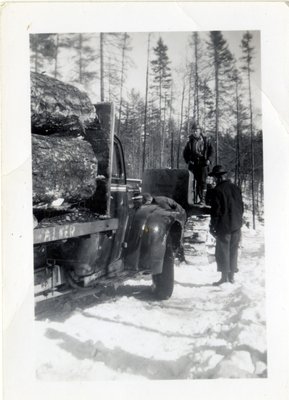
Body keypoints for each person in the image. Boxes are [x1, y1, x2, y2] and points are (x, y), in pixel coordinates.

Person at [208, 165, 244, 285]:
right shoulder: (236, 188)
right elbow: (241, 207)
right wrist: (238, 220)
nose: (214, 180)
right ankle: (231, 277)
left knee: (223, 251)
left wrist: (213, 226)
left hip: (224, 226)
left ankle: (224, 278)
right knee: (233, 250)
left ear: (218, 178)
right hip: (236, 225)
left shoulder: (217, 191)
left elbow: (216, 211)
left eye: (214, 178)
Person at [183, 122, 215, 205]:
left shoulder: (206, 140)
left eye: (196, 130)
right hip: (194, 164)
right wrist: (188, 160)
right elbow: (185, 153)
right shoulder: (190, 141)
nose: (194, 132)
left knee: (203, 181)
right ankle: (193, 199)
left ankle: (203, 199)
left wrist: (209, 159)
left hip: (203, 163)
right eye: (193, 130)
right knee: (193, 181)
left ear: (200, 131)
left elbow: (212, 151)